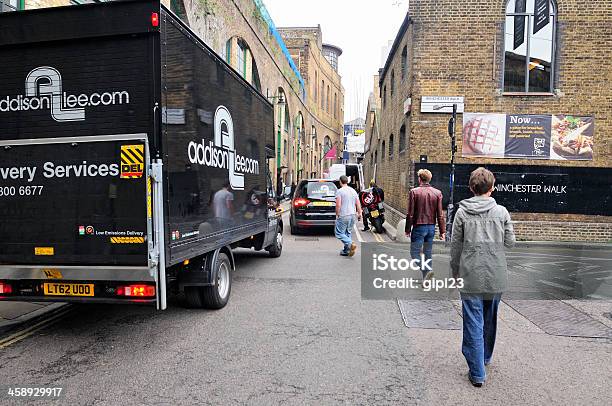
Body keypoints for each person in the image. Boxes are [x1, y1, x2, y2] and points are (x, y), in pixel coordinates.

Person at [450, 167, 515, 387]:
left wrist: (454, 270)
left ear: (471, 187)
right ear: (492, 188)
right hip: (496, 274)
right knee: (489, 318)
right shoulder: (502, 212)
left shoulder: (462, 212)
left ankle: (477, 372)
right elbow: (510, 242)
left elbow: (455, 246)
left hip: (470, 275)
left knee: (473, 321)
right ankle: (484, 357)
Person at [404, 169, 445, 280]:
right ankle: (426, 278)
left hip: (418, 227)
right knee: (427, 253)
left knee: (414, 253)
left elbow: (410, 214)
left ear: (419, 179)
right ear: (429, 179)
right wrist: (442, 231)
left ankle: (426, 270)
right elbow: (440, 215)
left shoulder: (414, 192)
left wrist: (407, 229)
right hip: (431, 228)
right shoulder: (437, 193)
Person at [335, 175, 362, 257]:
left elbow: (338, 205)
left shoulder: (340, 191)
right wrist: (360, 213)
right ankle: (346, 250)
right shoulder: (353, 191)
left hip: (344, 215)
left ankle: (350, 244)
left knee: (339, 233)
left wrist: (337, 214)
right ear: (347, 181)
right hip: (353, 215)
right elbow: (358, 203)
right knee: (347, 232)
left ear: (340, 181)